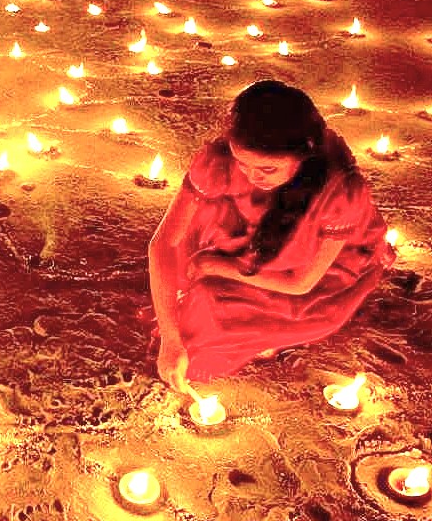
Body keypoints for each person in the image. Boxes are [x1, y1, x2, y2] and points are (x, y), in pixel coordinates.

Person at [148, 80, 395, 392]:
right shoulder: (219, 163)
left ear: (303, 157)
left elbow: (300, 283)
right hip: (244, 238)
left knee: (206, 336)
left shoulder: (338, 194)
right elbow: (162, 244)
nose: (251, 176)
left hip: (310, 270)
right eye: (242, 162)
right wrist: (170, 341)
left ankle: (270, 335)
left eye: (267, 169)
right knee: (181, 300)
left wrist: (215, 266)